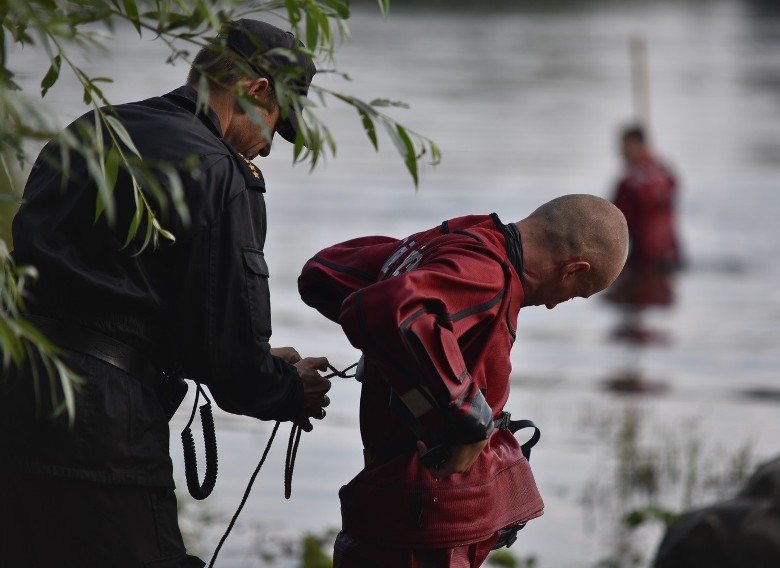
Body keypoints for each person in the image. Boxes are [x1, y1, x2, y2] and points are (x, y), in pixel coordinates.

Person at [0, 19, 331, 568]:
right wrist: (288, 390)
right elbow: (234, 367)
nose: (269, 147)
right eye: (274, 124)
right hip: (104, 431)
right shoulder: (222, 171)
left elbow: (97, 298)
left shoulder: (93, 129)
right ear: (257, 91)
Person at [298, 194, 629, 567]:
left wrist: (397, 360)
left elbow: (322, 274)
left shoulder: (465, 238)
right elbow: (388, 307)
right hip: (419, 527)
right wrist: (470, 420)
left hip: (399, 511)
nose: (554, 305)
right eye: (573, 295)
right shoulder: (486, 271)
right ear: (572, 270)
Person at [605, 124, 683, 343]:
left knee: (628, 302)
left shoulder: (633, 181)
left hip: (647, 258)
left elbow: (614, 222)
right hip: (667, 255)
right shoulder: (663, 172)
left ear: (638, 145)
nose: (620, 152)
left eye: (625, 146)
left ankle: (635, 336)